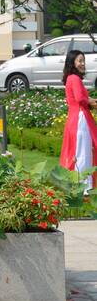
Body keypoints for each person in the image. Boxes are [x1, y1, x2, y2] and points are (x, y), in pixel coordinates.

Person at [60, 49, 97, 193]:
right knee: (83, 152)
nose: (83, 63)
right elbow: (80, 99)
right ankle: (82, 187)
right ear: (72, 63)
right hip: (80, 120)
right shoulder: (74, 79)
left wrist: (91, 101)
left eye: (83, 60)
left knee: (80, 151)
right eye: (79, 60)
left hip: (76, 117)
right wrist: (92, 101)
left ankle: (80, 185)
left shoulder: (71, 78)